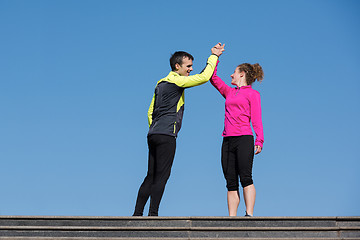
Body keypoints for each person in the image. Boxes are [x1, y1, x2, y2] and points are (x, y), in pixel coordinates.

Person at [133, 43, 225, 216]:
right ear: (177, 66)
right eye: (188, 66)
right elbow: (204, 77)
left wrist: (154, 128)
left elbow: (149, 112)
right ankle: (153, 214)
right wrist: (214, 56)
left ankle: (137, 214)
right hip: (167, 134)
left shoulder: (160, 83)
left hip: (153, 133)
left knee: (150, 175)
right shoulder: (177, 81)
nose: (190, 69)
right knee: (162, 175)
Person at [210, 60, 264, 217]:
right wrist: (215, 57)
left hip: (244, 138)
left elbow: (256, 119)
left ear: (242, 74)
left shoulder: (253, 94)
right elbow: (212, 77)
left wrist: (259, 140)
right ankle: (231, 219)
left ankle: (249, 215)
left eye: (234, 72)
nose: (231, 74)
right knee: (230, 181)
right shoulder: (229, 92)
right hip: (227, 140)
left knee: (246, 177)